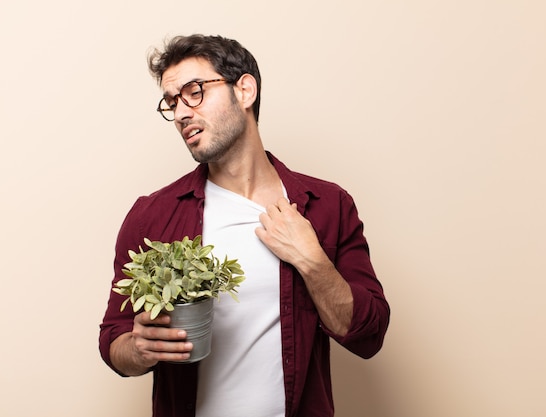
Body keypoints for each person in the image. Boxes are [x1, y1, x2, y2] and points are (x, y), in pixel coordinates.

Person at [99, 34, 390, 417]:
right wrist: (137, 349)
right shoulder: (153, 215)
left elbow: (368, 336)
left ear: (245, 90)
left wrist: (313, 261)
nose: (182, 112)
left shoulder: (327, 206)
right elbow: (114, 339)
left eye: (194, 91)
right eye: (172, 102)